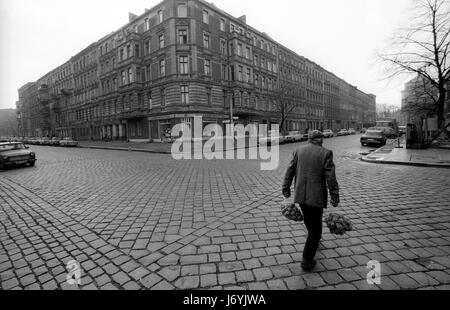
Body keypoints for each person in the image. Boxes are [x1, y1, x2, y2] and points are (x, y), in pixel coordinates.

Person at [282, 130, 340, 271]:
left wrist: (285, 187)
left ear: (309, 139)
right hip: (317, 196)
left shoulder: (297, 151)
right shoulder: (326, 153)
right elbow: (330, 177)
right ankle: (307, 260)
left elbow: (290, 170)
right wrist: (334, 194)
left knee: (310, 222)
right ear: (320, 139)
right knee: (316, 230)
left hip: (301, 195)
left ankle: (313, 242)